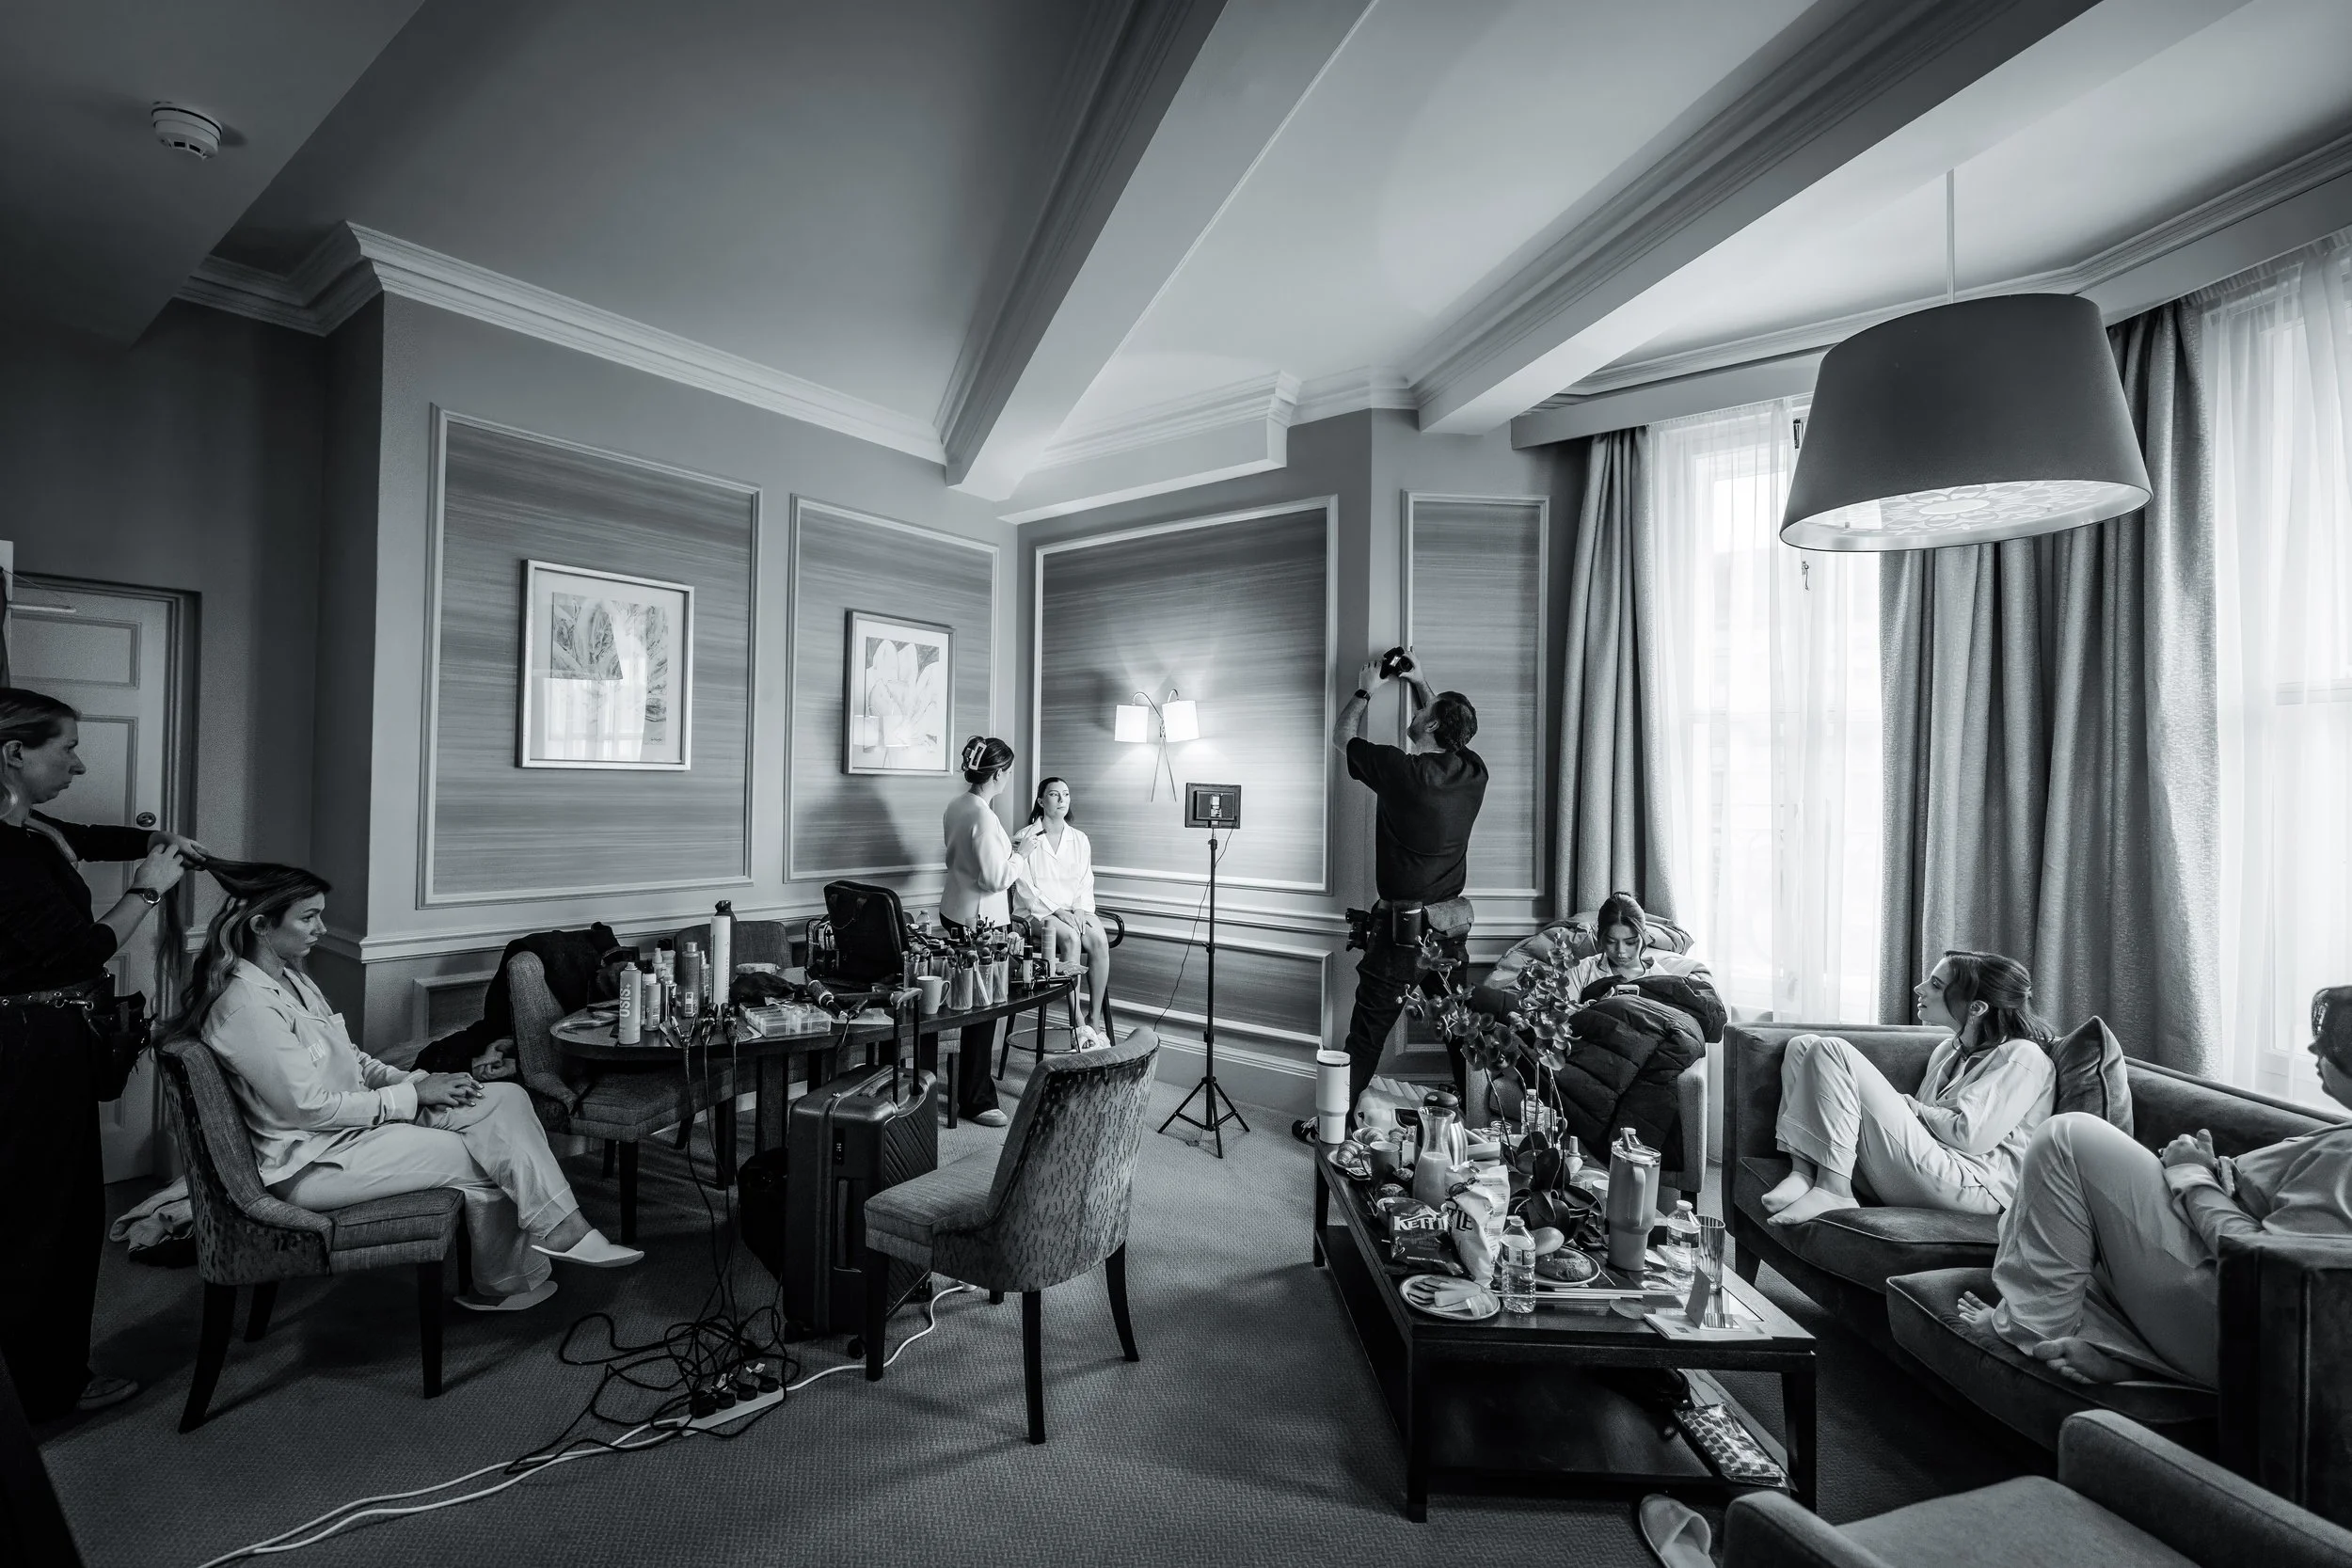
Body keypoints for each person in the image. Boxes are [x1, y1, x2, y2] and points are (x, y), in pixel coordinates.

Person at [186, 862, 642, 1312]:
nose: (322, 928)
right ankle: (510, 1279)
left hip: (352, 1131)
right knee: (492, 1156)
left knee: (505, 1097)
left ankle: (559, 1234)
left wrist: (422, 1081)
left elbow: (355, 1061)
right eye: (308, 917)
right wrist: (413, 1097)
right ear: (261, 925)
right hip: (314, 1160)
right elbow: (308, 1110)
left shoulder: (292, 979)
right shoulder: (244, 1007)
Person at [1957, 986, 2352, 1389]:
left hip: (2233, 1322)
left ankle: (2026, 1329)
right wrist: (2220, 1175)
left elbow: (2275, 1269)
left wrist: (2193, 1176)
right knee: (2038, 1217)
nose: (2312, 1045)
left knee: (2065, 1136)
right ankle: (2128, 1357)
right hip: (2214, 1301)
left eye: (2332, 1039)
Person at [0, 687, 203, 1418]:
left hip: (36, 1045)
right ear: (14, 753)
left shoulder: (26, 826)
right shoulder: (4, 850)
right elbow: (81, 949)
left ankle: (34, 1376)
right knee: (49, 1217)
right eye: (67, 748)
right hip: (27, 1055)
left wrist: (160, 843)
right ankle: (46, 1387)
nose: (80, 764)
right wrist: (148, 891)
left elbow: (80, 837)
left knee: (45, 1208)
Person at [1295, 649, 1486, 1143]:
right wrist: (1423, 685)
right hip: (1448, 932)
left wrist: (1365, 688)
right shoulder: (1473, 773)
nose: (1414, 714)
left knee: (1366, 1035)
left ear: (1433, 724)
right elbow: (1450, 735)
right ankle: (1472, 1128)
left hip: (1401, 933)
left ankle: (1330, 1127)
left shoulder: (1400, 771)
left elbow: (1342, 738)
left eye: (1422, 711)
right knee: (1459, 1032)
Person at [1760, 950, 2056, 1227]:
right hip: (1925, 1167)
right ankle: (1803, 1172)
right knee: (1803, 1046)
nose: (1920, 988)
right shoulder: (1947, 1051)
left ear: (1977, 1008)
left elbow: (1970, 1137)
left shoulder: (2023, 1057)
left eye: (1937, 986)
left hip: (1970, 1184)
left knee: (1832, 1050)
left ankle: (1834, 1189)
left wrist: (1909, 1106)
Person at [938, 736, 1029, 1127]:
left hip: (953, 909)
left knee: (969, 1004)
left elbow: (968, 859)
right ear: (997, 773)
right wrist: (1021, 857)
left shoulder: (957, 806)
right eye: (1007, 772)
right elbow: (994, 878)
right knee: (984, 1008)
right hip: (981, 921)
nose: (1009, 778)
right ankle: (975, 1098)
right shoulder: (983, 816)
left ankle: (965, 1088)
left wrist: (1004, 850)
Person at [1011, 776, 1110, 1049]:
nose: (1062, 799)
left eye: (1066, 794)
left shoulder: (1079, 839)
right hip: (1036, 913)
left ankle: (1095, 1017)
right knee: (1070, 939)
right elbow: (1025, 888)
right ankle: (1076, 1020)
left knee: (1099, 940)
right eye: (1054, 795)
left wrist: (1078, 909)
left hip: (1074, 907)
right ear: (1041, 801)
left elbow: (1084, 880)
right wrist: (1058, 911)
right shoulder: (1024, 837)